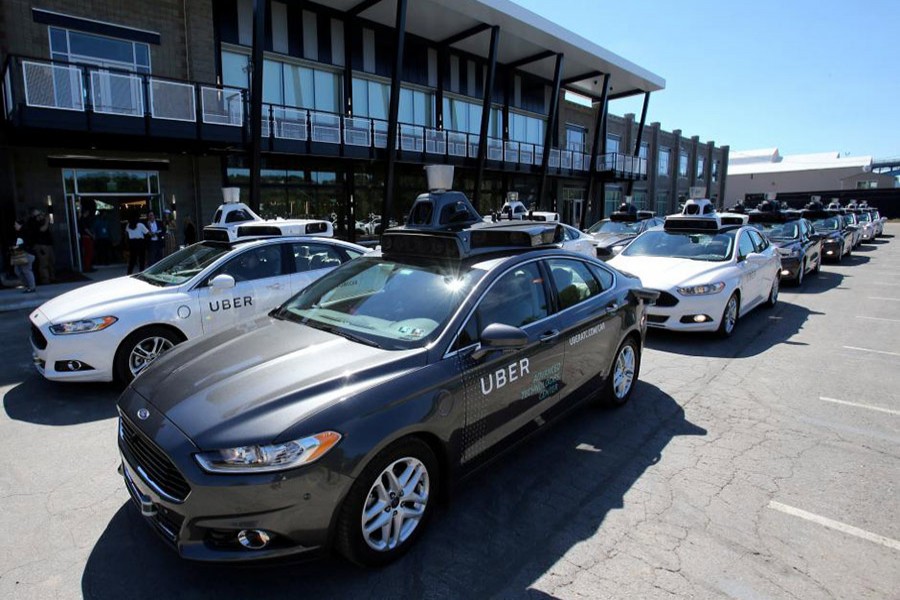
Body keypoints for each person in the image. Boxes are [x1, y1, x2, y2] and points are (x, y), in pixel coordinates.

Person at [29, 208, 55, 284]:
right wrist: (46, 221)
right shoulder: (33, 223)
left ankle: (52, 277)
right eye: (38, 214)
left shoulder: (41, 221)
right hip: (41, 245)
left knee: (52, 262)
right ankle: (45, 280)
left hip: (48, 244)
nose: (41, 215)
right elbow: (42, 229)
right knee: (44, 264)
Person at [79, 203, 95, 272]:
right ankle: (87, 267)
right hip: (86, 237)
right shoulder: (83, 219)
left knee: (89, 252)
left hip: (87, 237)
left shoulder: (84, 219)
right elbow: (85, 229)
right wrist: (91, 235)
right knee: (88, 252)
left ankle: (88, 266)